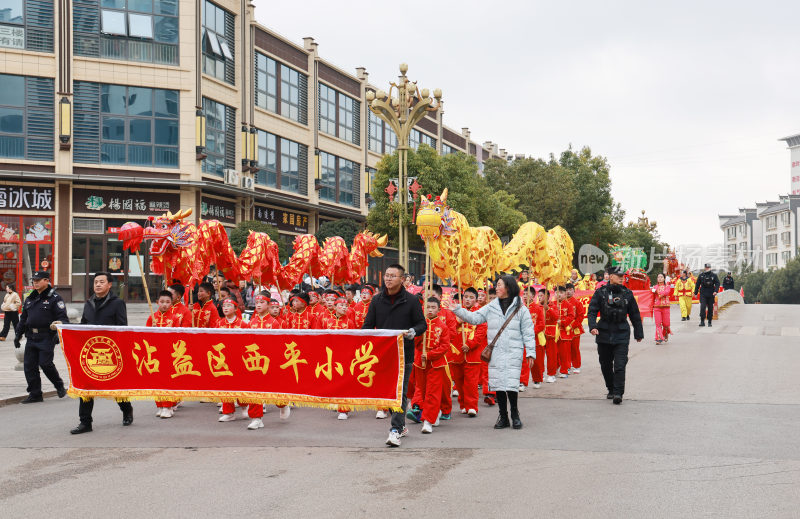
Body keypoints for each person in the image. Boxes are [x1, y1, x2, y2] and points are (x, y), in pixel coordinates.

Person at [452, 275, 535, 430]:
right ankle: (503, 416)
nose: (496, 288)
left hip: (513, 351)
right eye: (496, 285)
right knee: (498, 384)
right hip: (496, 351)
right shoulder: (491, 306)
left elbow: (528, 331)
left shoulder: (521, 308)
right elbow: (475, 318)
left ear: (508, 288)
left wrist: (530, 352)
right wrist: (458, 310)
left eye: (499, 285)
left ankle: (515, 415)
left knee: (511, 384)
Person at [362, 264, 426, 447]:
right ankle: (402, 424)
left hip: (404, 354)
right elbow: (367, 326)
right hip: (382, 355)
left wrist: (413, 331)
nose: (388, 279)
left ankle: (395, 430)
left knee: (401, 392)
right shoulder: (376, 301)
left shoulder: (412, 301)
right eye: (387, 276)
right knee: (385, 392)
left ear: (402, 279)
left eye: (393, 276)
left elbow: (422, 325)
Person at [71, 272, 132, 433]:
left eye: (101, 282)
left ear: (109, 285)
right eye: (96, 282)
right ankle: (85, 422)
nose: (97, 284)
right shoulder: (88, 303)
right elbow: (83, 325)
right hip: (91, 352)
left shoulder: (117, 303)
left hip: (111, 352)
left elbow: (122, 327)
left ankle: (126, 410)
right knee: (86, 387)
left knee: (115, 386)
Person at [587, 266, 644, 405]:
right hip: (604, 332)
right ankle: (611, 388)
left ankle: (618, 393)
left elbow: (635, 314)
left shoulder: (627, 293)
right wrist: (593, 326)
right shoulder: (600, 292)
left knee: (620, 364)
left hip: (621, 332)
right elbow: (592, 311)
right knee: (605, 364)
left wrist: (638, 332)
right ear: (610, 276)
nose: (621, 277)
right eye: (618, 275)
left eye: (622, 275)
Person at [14, 271, 67, 404]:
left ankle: (59, 385)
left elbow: (63, 318)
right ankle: (35, 393)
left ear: (46, 281)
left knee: (45, 364)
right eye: (34, 280)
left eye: (38, 280)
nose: (35, 283)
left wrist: (59, 327)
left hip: (46, 336)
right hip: (31, 336)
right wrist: (18, 334)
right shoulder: (30, 298)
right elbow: (24, 318)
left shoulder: (55, 298)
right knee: (29, 366)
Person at [412, 297, 450, 434]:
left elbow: (445, 346)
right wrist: (418, 335)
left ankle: (427, 421)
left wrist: (429, 355)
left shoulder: (443, 327)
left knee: (432, 393)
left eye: (433, 307)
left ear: (439, 310)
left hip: (435, 364)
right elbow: (414, 343)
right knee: (422, 392)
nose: (430, 310)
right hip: (420, 363)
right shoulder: (420, 325)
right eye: (428, 307)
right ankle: (435, 412)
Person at [146, 291, 178, 418]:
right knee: (156, 380)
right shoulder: (152, 318)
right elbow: (145, 336)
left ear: (171, 303)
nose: (164, 305)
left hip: (169, 352)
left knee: (167, 380)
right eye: (162, 302)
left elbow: (177, 336)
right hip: (155, 353)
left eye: (167, 302)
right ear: (157, 303)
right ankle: (159, 404)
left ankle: (168, 405)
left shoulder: (174, 318)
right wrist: (151, 329)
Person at [566, 283, 585, 374]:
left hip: (574, 328)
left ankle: (576, 366)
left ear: (574, 291)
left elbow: (580, 317)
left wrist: (572, 326)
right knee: (565, 348)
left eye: (570, 289)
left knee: (574, 348)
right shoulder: (561, 303)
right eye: (567, 290)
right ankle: (567, 366)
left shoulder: (577, 303)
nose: (568, 291)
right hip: (564, 329)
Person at [651, 273, 672, 345]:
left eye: (661, 277)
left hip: (666, 307)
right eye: (658, 277)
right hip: (657, 307)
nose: (659, 278)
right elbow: (652, 296)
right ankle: (658, 338)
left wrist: (658, 293)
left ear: (664, 278)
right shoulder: (654, 287)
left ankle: (665, 333)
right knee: (658, 323)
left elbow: (666, 292)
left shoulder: (667, 286)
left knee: (666, 324)